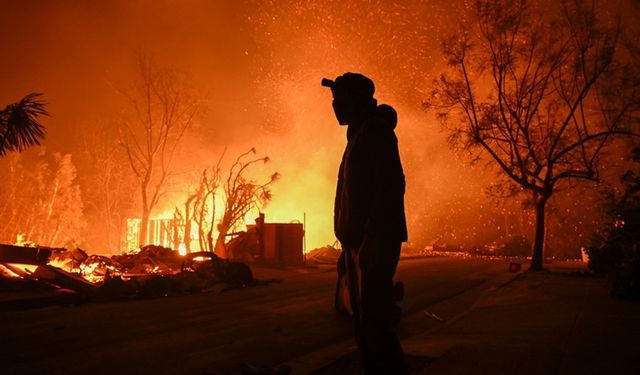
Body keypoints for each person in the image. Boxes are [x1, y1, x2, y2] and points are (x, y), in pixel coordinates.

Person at [322, 72, 408, 374]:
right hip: (358, 244)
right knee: (366, 327)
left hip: (374, 242)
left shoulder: (375, 132)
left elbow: (389, 187)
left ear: (356, 100)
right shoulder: (360, 133)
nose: (335, 107)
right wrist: (347, 247)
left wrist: (371, 238)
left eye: (339, 100)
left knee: (376, 327)